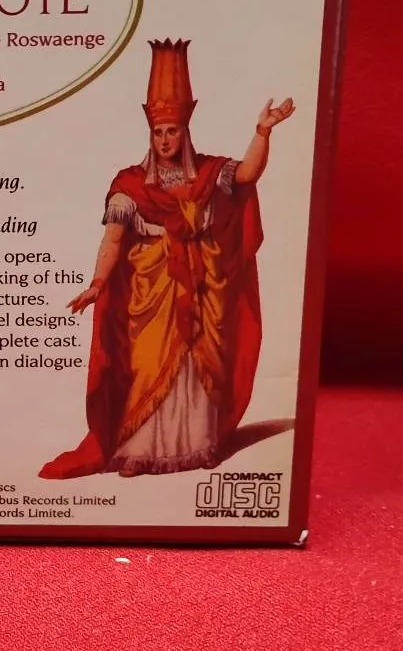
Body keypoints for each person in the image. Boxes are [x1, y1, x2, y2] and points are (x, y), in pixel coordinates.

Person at [39, 39, 294, 479]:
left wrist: (263, 131)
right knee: (145, 364)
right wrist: (98, 283)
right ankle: (140, 450)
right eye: (158, 133)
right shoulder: (130, 184)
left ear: (184, 132)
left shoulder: (210, 172)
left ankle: (196, 445)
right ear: (150, 134)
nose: (164, 139)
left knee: (197, 363)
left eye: (172, 131)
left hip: (201, 284)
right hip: (150, 290)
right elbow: (113, 240)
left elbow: (248, 173)